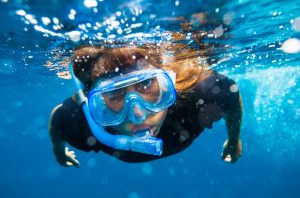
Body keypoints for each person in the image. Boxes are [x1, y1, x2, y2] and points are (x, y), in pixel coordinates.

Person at [49, 44, 242, 168]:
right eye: (114, 94)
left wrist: (234, 139)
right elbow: (57, 120)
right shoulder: (78, 121)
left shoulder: (202, 93)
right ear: (94, 103)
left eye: (147, 84)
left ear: (169, 84)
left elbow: (233, 100)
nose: (138, 114)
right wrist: (58, 151)